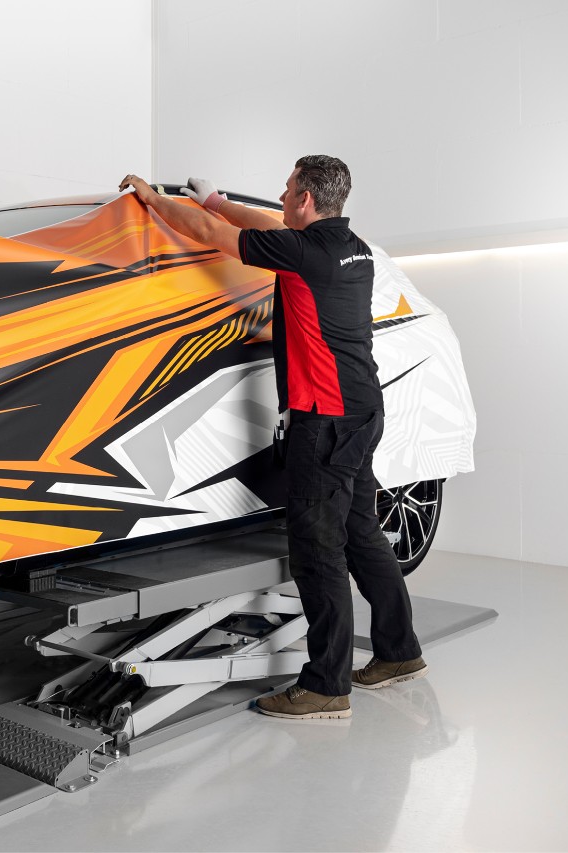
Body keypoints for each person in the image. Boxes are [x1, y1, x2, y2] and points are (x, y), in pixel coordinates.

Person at [119, 157, 426, 721]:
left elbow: (211, 234)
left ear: (305, 199)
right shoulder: (351, 247)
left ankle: (327, 686)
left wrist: (154, 201)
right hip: (363, 410)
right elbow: (261, 227)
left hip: (325, 421)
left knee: (318, 553)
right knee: (362, 533)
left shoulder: (304, 253)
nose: (280, 198)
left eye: (286, 190)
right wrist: (215, 201)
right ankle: (399, 651)